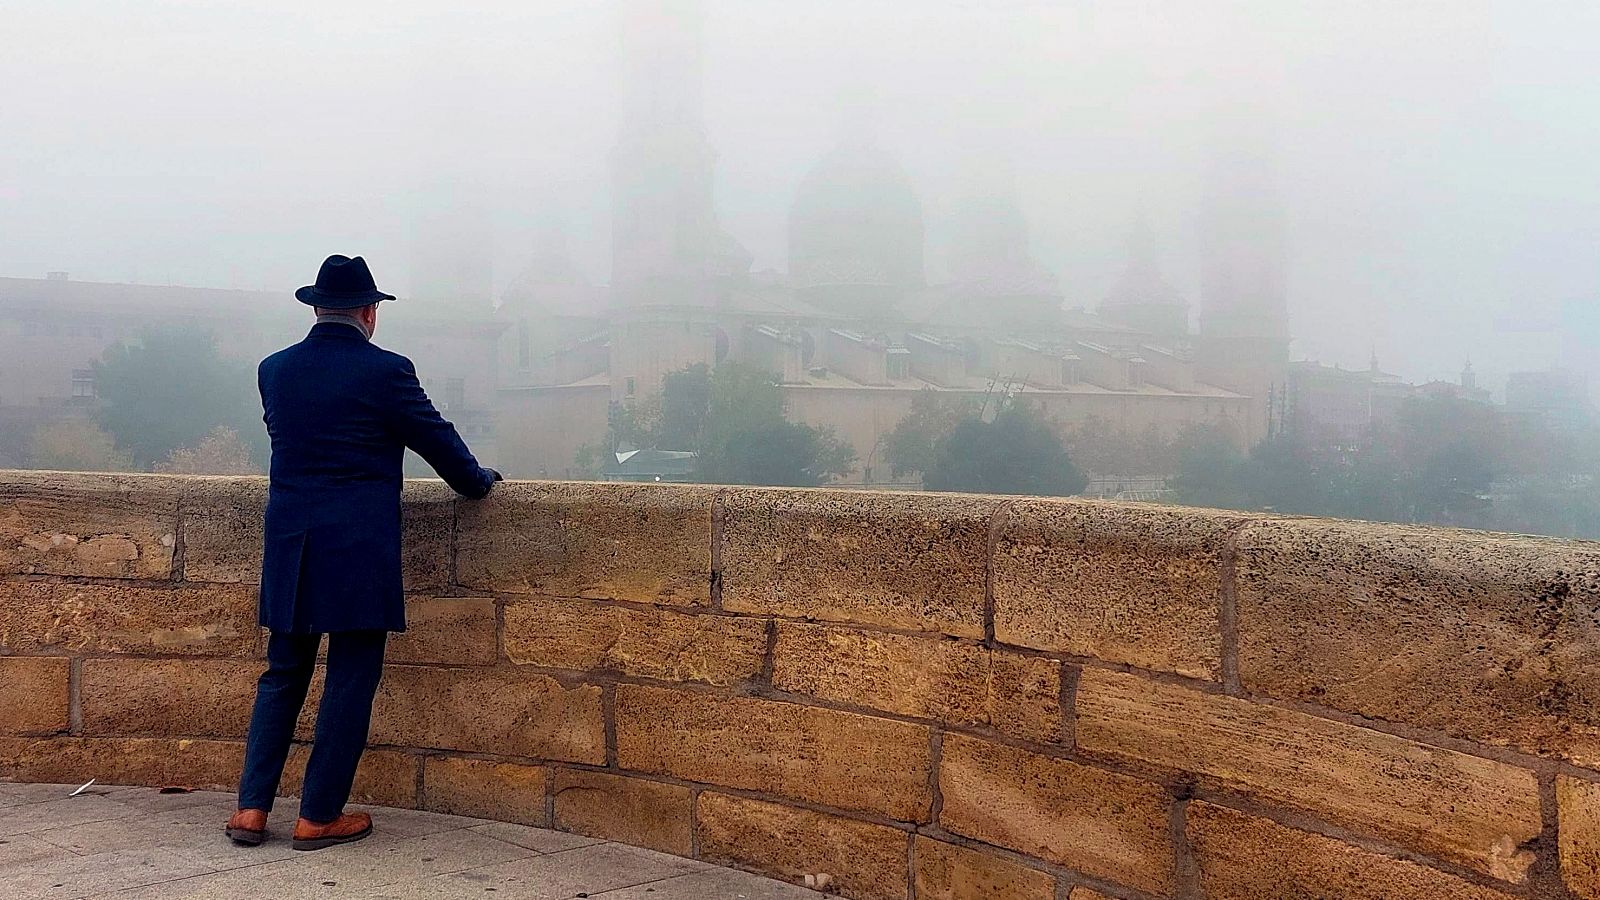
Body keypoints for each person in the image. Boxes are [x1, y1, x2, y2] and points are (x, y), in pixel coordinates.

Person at [225, 254, 501, 851]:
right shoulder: (386, 372)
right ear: (370, 312)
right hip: (356, 547)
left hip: (291, 541)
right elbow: (438, 440)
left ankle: (250, 809)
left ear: (317, 307)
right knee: (349, 679)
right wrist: (478, 482)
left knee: (282, 673)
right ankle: (318, 815)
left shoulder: (274, 370)